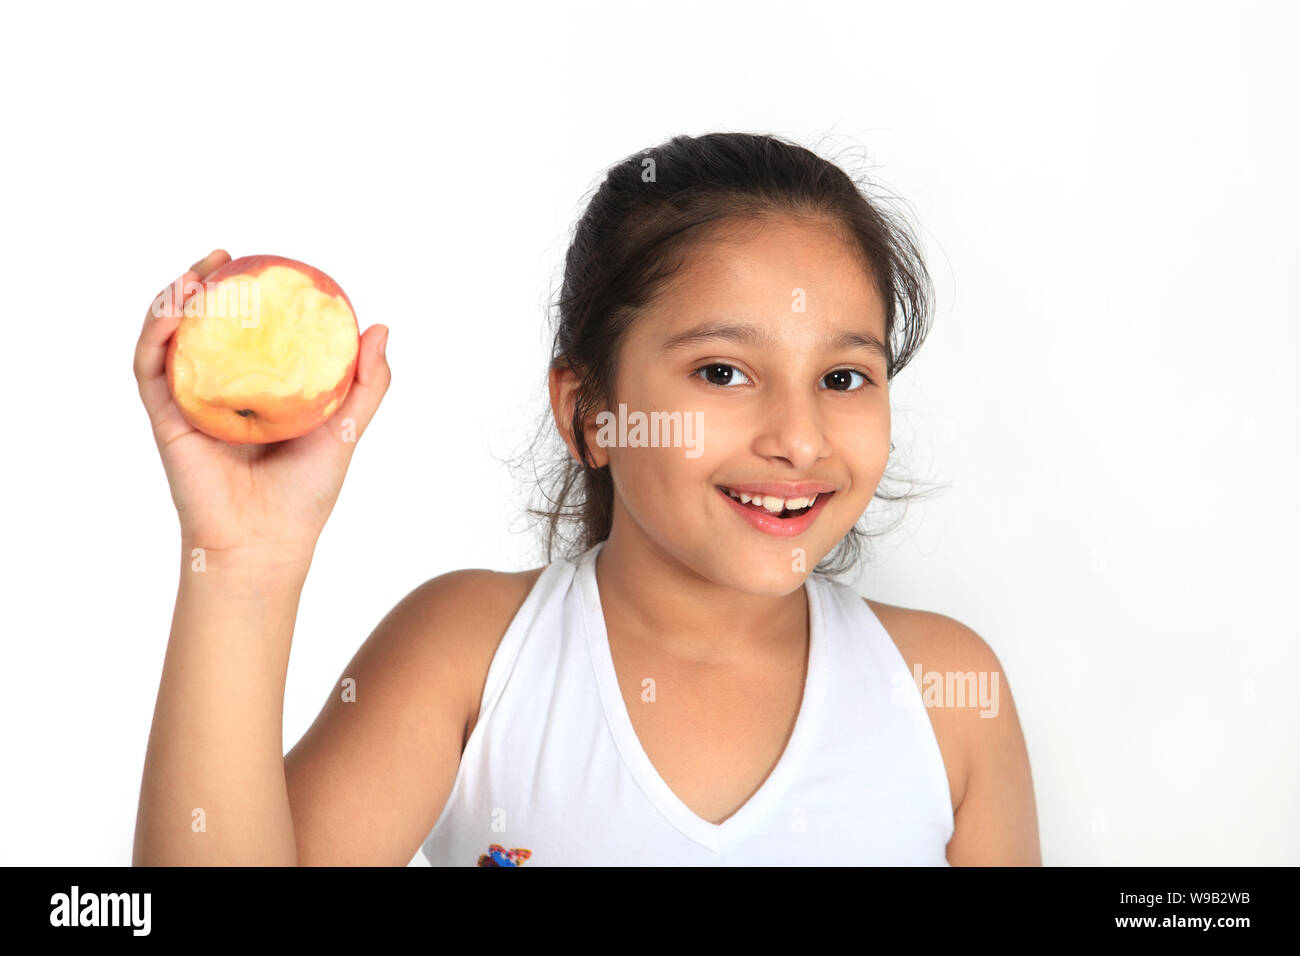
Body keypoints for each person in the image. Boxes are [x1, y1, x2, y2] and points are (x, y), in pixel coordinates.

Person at [132, 131, 1040, 866]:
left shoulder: (948, 697)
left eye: (844, 377)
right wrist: (243, 563)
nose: (799, 437)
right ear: (591, 413)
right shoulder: (469, 655)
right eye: (723, 371)